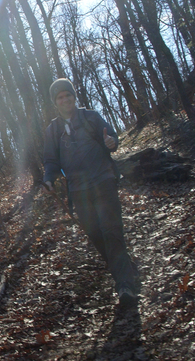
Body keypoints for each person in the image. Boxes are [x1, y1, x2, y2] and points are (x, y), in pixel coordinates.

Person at [42, 78, 138, 304]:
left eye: (68, 95)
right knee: (95, 235)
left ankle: (125, 285)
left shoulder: (92, 117)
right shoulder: (52, 131)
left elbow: (112, 137)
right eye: (60, 97)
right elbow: (50, 161)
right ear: (55, 102)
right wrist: (48, 179)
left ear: (74, 97)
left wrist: (111, 142)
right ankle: (125, 266)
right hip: (78, 190)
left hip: (103, 180)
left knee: (111, 230)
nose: (65, 100)